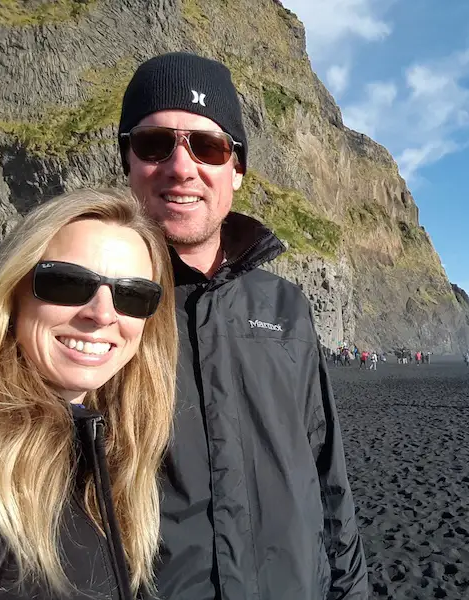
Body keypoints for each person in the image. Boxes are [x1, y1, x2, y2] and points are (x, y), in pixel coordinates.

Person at [118, 52, 367, 599]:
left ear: (237, 167)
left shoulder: (287, 307)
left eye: (208, 146)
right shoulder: (101, 307)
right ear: (128, 161)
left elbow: (329, 474)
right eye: (155, 143)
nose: (182, 168)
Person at [0, 189, 177, 599]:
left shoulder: (108, 454)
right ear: (12, 290)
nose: (102, 313)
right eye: (66, 283)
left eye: (132, 295)